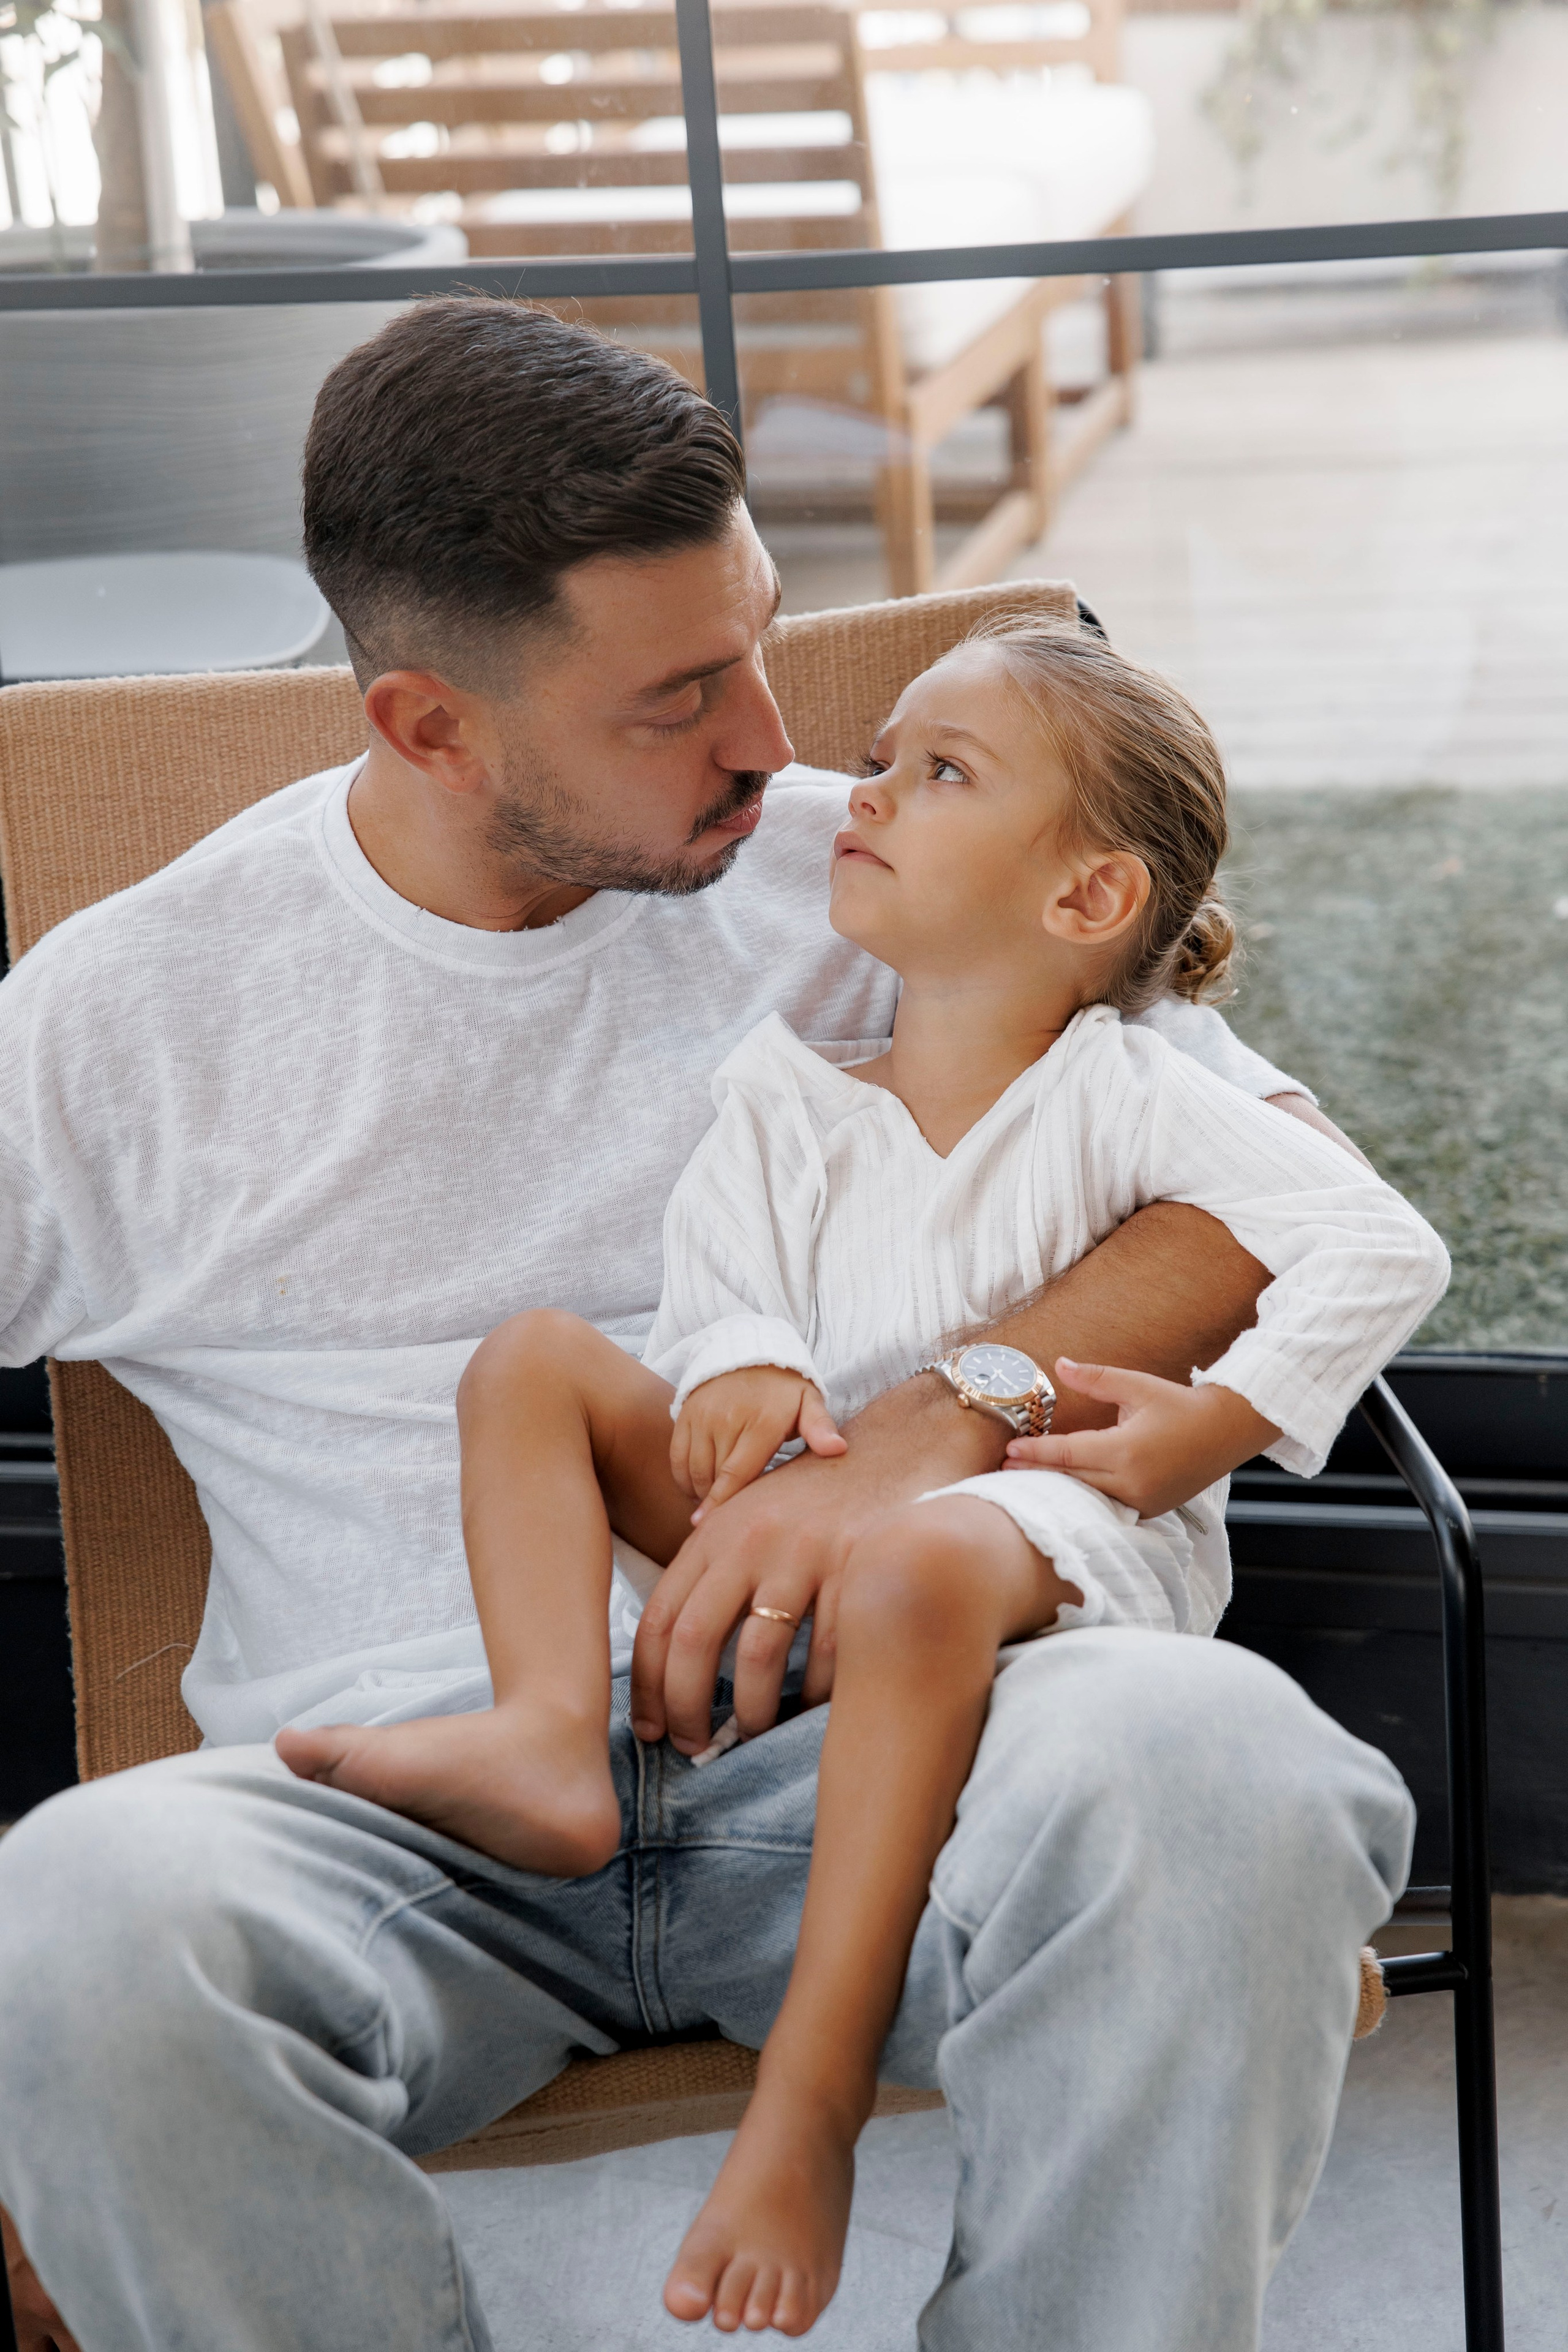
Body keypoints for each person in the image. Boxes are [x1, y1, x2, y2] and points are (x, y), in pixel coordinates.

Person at [0, 299, 1417, 2352]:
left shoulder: (881, 875)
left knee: (1226, 1767)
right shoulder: (126, 1019)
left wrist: (943, 1417)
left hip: (908, 1741)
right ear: (429, 726)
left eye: (760, 636)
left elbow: (1279, 1185)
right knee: (68, 1922)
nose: (772, 736)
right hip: (401, 1803)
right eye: (680, 696)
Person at [276, 620, 1447, 2336]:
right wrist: (744, 1360)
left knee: (918, 1561)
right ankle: (544, 1739)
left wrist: (1219, 1424)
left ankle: (808, 2103)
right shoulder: (786, 1095)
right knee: (532, 1360)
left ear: (1088, 898)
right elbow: (715, 1290)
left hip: (1032, 1553)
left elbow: (1379, 1240)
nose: (869, 791)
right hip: (793, 1543)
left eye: (939, 771)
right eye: (887, 755)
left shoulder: (1128, 1093)